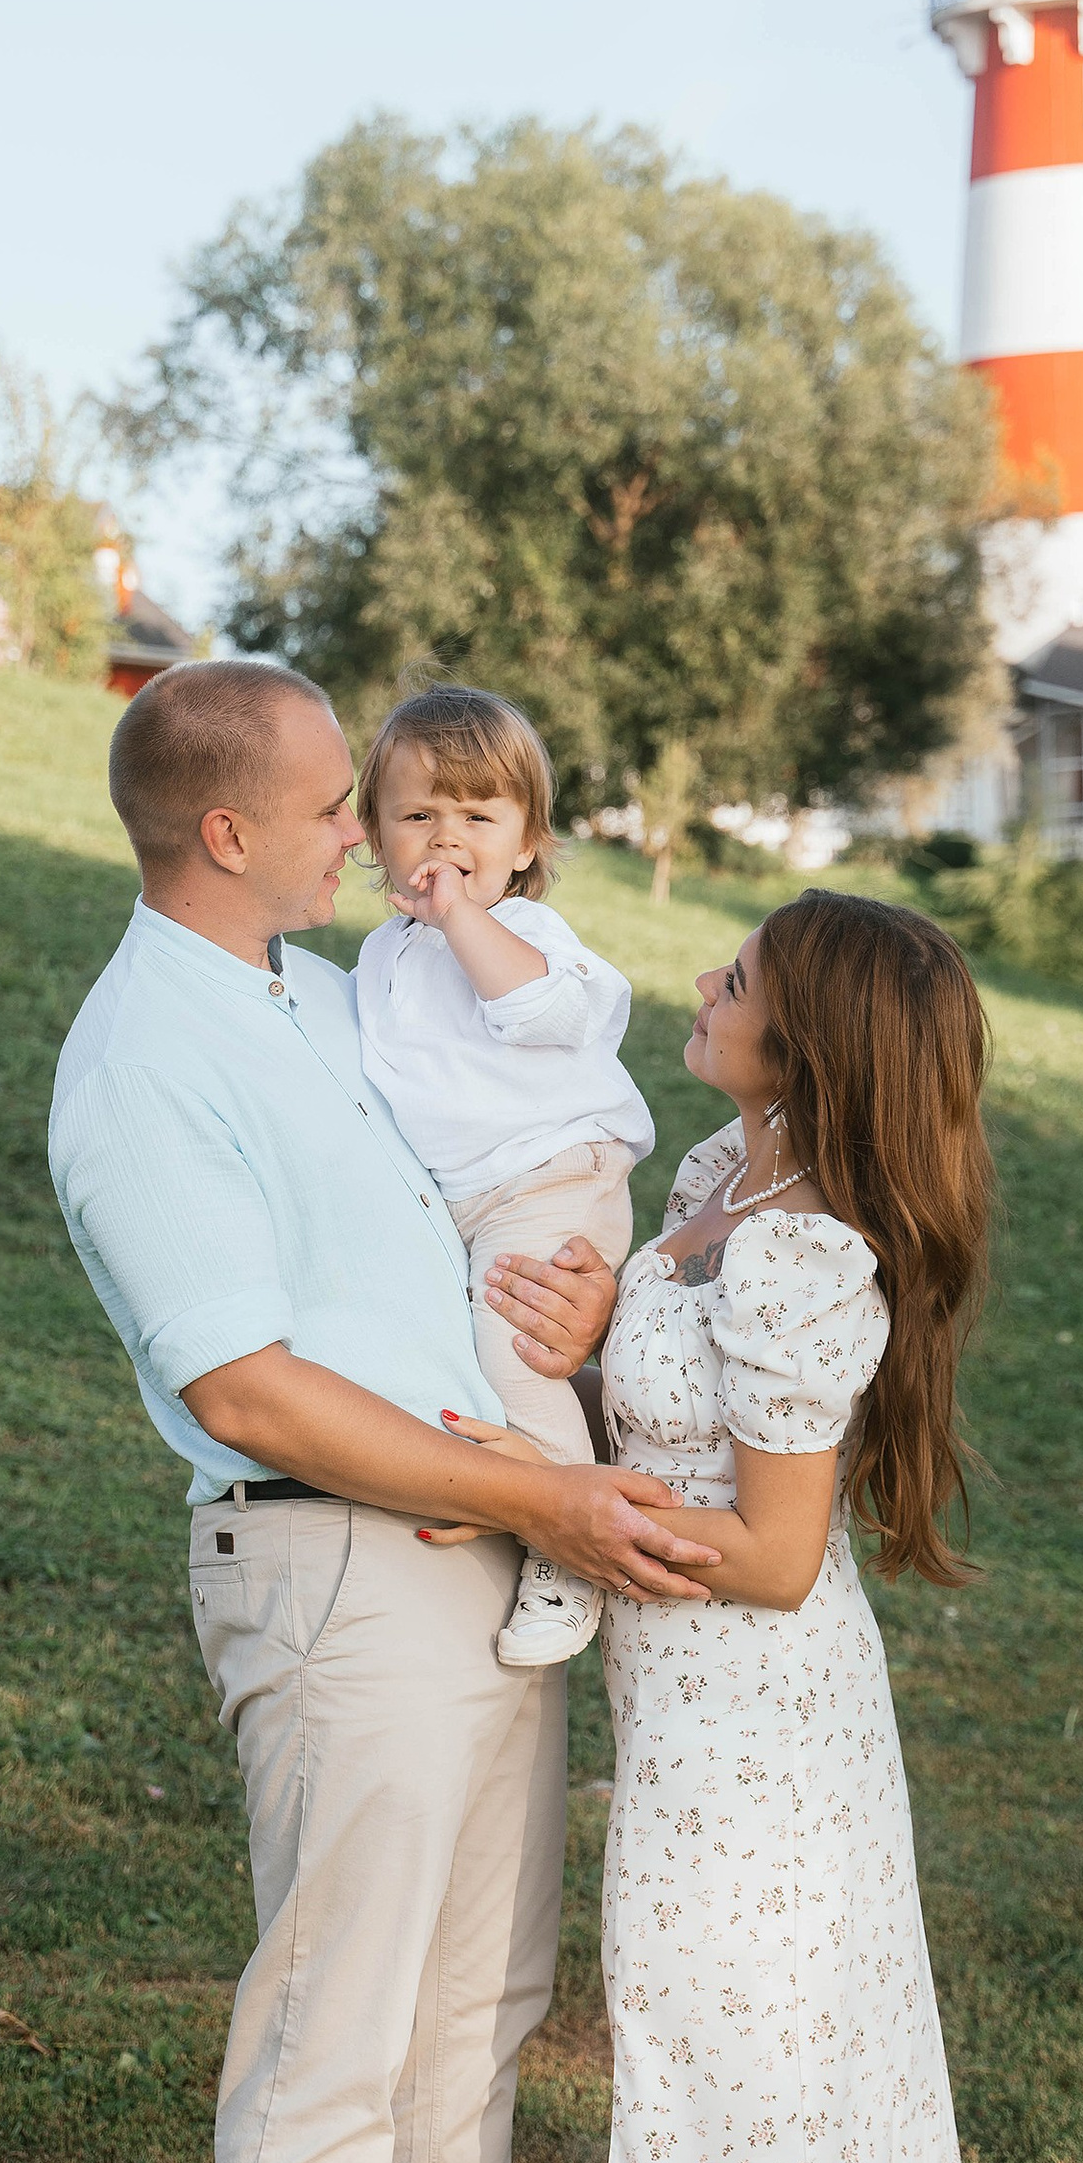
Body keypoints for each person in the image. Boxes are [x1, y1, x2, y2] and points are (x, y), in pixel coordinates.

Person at [46, 658, 720, 2163]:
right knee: (333, 2036)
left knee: (470, 2023)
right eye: (338, 803)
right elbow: (244, 1387)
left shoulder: (333, 998)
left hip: (482, 1545)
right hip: (338, 1572)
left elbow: (493, 1179)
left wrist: (579, 1303)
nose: (371, 827)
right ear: (226, 831)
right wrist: (520, 1487)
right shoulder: (139, 1059)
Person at [482, 890, 991, 2163]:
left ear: (811, 1044)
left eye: (744, 978)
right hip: (704, 1721)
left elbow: (774, 1555)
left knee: (769, 2089)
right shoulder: (722, 1182)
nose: (708, 982)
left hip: (761, 1738)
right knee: (779, 2080)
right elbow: (679, 1423)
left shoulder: (801, 1254)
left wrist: (562, 1508)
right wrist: (584, 1371)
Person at [352, 684, 654, 1672]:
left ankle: (567, 1539)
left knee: (517, 1350)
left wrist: (457, 916)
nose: (446, 837)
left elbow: (543, 1011)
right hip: (467, 1197)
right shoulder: (381, 955)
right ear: (373, 833)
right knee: (467, 1352)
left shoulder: (528, 935)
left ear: (527, 845)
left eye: (477, 817)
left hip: (552, 1175)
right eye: (417, 815)